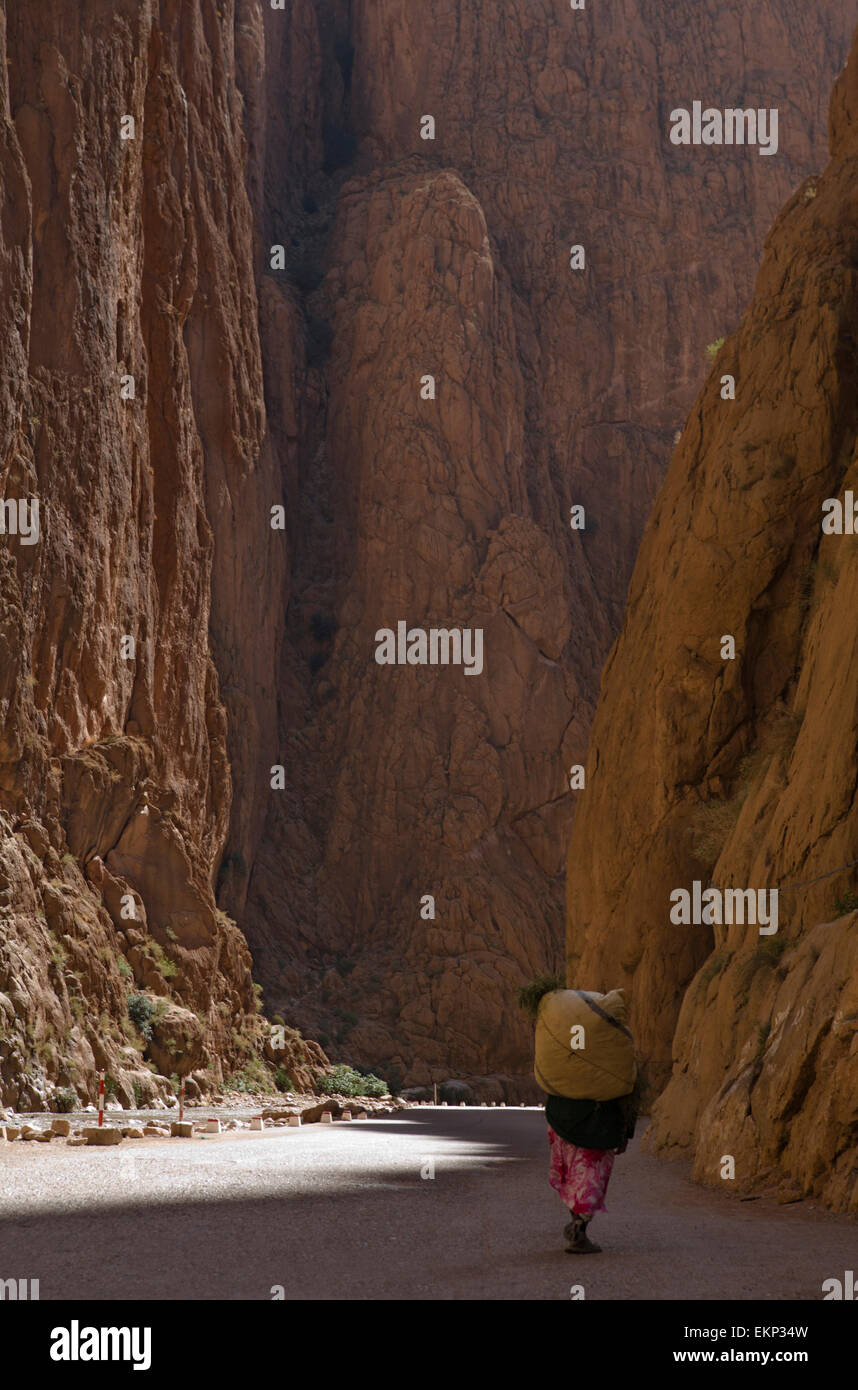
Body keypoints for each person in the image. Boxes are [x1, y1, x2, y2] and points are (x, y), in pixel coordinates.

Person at [545, 1086, 638, 1253]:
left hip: (562, 1120)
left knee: (571, 1175)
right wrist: (626, 1132)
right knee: (591, 1177)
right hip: (599, 1122)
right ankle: (579, 1230)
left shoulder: (563, 1062)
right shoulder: (611, 1061)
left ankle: (577, 1226)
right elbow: (628, 1087)